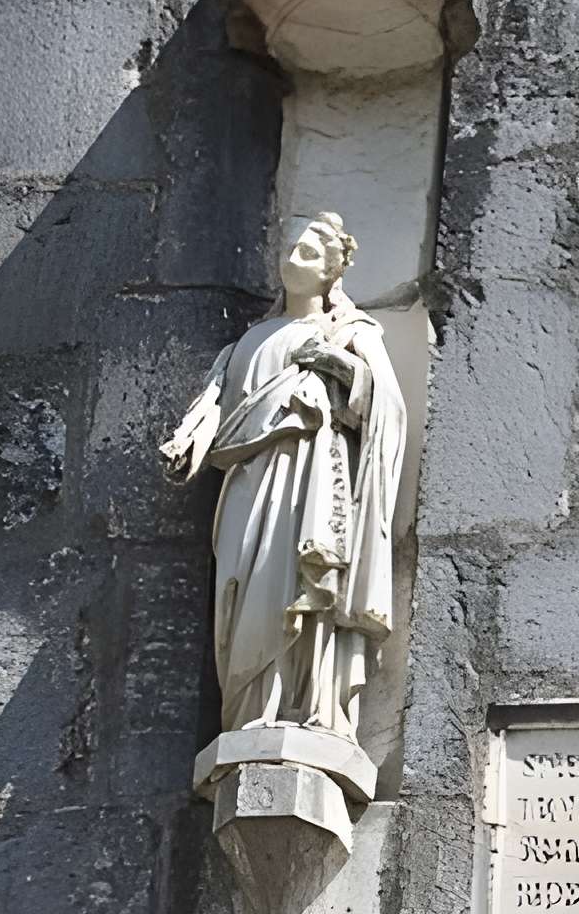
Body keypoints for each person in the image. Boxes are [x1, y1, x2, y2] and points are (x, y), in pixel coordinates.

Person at [161, 213, 407, 752]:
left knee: (302, 576)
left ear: (332, 271)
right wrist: (188, 441)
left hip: (315, 475)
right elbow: (215, 405)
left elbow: (387, 406)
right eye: (292, 244)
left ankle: (311, 706)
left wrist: (339, 366)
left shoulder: (351, 333)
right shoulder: (250, 340)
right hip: (249, 479)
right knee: (244, 581)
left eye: (312, 248)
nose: (296, 253)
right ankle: (251, 709)